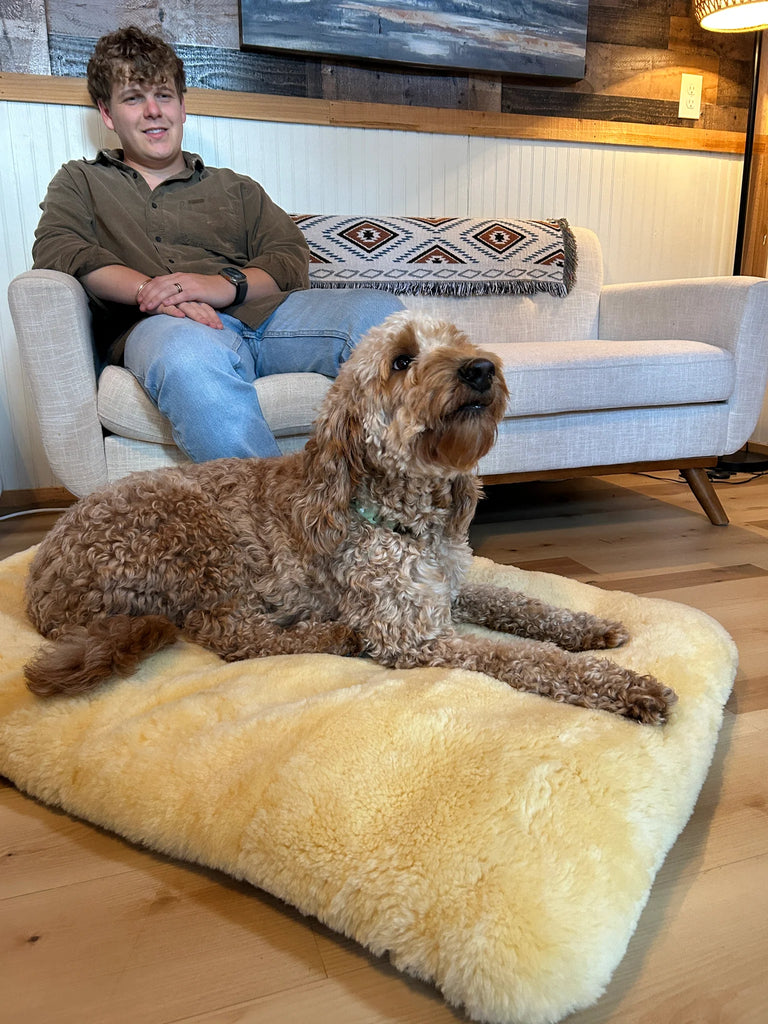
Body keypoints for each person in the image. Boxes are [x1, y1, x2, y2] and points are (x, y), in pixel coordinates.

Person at [32, 25, 403, 462]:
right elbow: (60, 250)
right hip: (167, 329)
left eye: (164, 96)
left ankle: (405, 509)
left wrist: (220, 285)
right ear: (108, 114)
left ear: (182, 107)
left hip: (268, 321)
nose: (153, 111)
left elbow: (288, 258)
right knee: (186, 356)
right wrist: (152, 293)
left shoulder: (235, 188)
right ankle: (276, 524)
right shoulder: (81, 181)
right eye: (134, 98)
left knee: (381, 316)